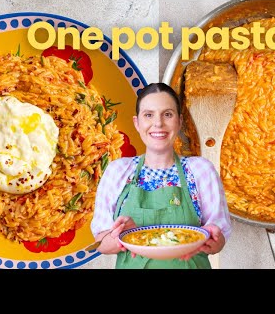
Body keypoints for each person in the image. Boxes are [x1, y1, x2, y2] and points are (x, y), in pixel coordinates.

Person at [90, 82, 232, 269]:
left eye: (167, 114)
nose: (158, 123)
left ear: (180, 121)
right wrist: (123, 234)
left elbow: (218, 240)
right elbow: (101, 244)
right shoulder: (118, 171)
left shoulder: (201, 170)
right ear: (137, 123)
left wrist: (213, 239)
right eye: (149, 115)